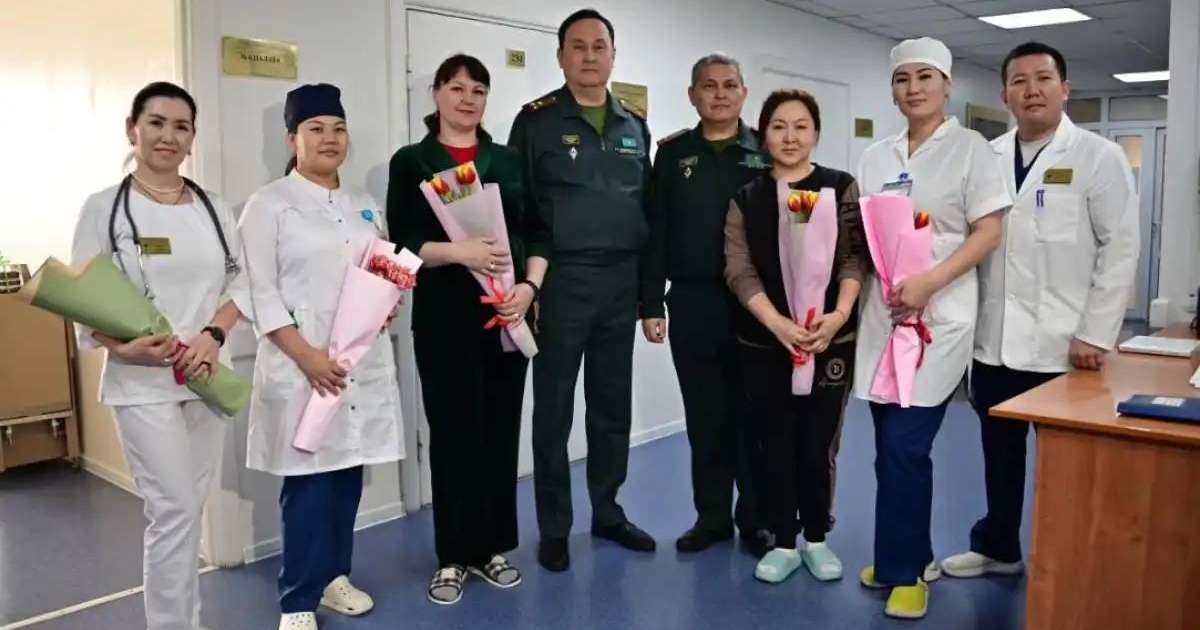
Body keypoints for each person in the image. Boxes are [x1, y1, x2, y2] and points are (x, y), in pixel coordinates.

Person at [940, 41, 1139, 579]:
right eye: (1019, 81)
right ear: (1004, 93)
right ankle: (999, 547)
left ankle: (1070, 563)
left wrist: (1096, 334)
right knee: (999, 456)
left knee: (1067, 468)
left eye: (1043, 78)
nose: (1031, 90)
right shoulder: (986, 156)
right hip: (995, 343)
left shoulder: (1099, 156)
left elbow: (1120, 248)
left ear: (1064, 89)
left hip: (1065, 348)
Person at [70, 81, 250, 630]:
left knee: (186, 512)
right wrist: (123, 347)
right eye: (156, 123)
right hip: (140, 382)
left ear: (192, 137)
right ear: (133, 129)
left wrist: (213, 337)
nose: (168, 136)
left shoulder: (213, 208)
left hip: (202, 377)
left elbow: (240, 284)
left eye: (180, 126)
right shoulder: (105, 209)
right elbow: (81, 295)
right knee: (171, 511)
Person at [854, 37, 1010, 619]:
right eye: (902, 79)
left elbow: (988, 231)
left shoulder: (971, 149)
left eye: (925, 77)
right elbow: (869, 230)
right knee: (886, 449)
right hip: (884, 314)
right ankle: (903, 556)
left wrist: (930, 283)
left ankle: (908, 571)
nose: (913, 88)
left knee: (905, 445)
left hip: (939, 318)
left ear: (947, 85)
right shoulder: (877, 154)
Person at [386, 54, 550, 605]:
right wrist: (459, 252)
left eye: (478, 89)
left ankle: (493, 547)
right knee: (454, 435)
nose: (467, 98)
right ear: (436, 94)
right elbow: (402, 244)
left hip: (506, 316)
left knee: (500, 433)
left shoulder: (507, 160)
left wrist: (527, 291)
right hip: (444, 322)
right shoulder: (413, 161)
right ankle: (453, 555)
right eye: (456, 87)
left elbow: (538, 232)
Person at [239, 83, 401, 630]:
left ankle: (335, 578)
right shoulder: (269, 205)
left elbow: (377, 269)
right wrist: (306, 355)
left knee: (346, 475)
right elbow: (260, 291)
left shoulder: (363, 204)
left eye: (338, 128)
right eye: (316, 129)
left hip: (357, 363)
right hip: (301, 364)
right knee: (307, 482)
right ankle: (297, 601)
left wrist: (387, 305)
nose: (330, 139)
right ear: (293, 138)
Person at [508, 8, 656, 573]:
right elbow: (516, 213)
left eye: (599, 46)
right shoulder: (536, 122)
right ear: (561, 55)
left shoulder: (633, 125)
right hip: (560, 284)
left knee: (611, 407)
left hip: (620, 284)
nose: (589, 56)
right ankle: (553, 527)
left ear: (613, 55)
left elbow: (647, 213)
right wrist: (530, 285)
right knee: (553, 411)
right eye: (578, 46)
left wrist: (648, 296)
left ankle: (609, 512)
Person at [723, 89, 867, 584]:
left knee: (818, 443)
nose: (790, 136)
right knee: (773, 442)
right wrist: (778, 324)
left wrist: (838, 314)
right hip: (767, 344)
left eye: (801, 126)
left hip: (829, 341)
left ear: (816, 133)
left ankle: (816, 537)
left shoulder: (840, 187)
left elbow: (854, 258)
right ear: (764, 134)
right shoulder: (747, 197)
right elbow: (739, 271)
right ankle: (783, 539)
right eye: (779, 125)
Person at [640, 52, 772, 556]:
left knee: (752, 416)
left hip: (755, 306)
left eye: (730, 85)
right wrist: (652, 302)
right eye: (709, 86)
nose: (720, 93)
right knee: (705, 416)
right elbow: (657, 231)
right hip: (693, 303)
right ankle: (711, 517)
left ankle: (755, 517)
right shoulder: (673, 155)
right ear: (693, 95)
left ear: (744, 93)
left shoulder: (764, 150)